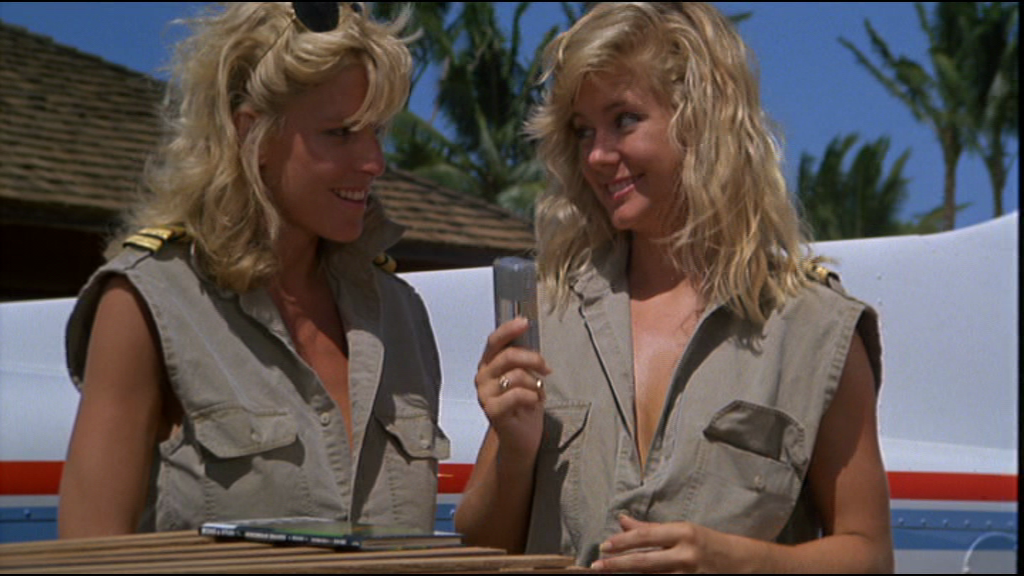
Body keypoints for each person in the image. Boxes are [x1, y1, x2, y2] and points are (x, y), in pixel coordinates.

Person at [455, 2, 893, 572]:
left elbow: (870, 555)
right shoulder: (550, 314)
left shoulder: (817, 330)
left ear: (703, 121)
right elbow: (482, 548)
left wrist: (731, 560)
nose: (596, 155)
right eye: (583, 130)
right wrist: (514, 452)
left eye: (624, 120)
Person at [58, 2, 448, 537]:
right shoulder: (144, 306)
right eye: (340, 133)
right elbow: (90, 555)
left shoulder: (400, 314)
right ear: (253, 133)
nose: (374, 162)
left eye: (377, 131)